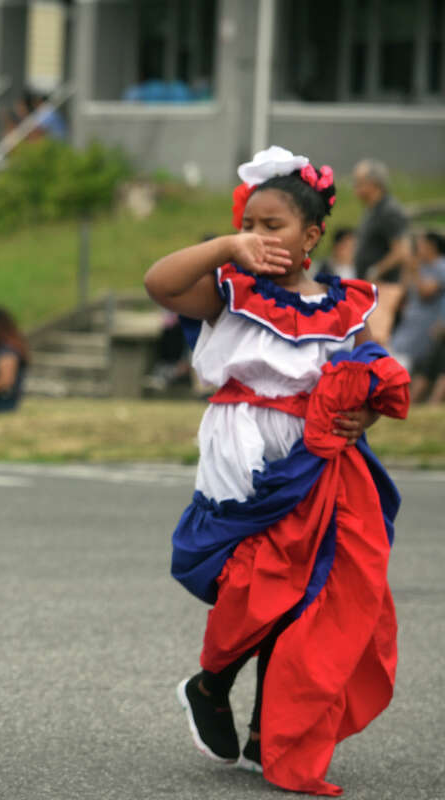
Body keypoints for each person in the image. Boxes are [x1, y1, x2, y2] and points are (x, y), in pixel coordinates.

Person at [144, 146, 409, 796]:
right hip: (245, 454)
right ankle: (211, 685)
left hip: (321, 459)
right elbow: (159, 282)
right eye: (251, 224)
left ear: (312, 235)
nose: (260, 236)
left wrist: (363, 419)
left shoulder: (349, 303)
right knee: (255, 586)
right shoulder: (232, 290)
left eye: (274, 226)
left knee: (308, 593)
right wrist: (224, 246)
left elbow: (371, 376)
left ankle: (271, 722)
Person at [352, 159, 411, 343]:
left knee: (376, 339)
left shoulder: (389, 210)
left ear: (374, 184)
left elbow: (402, 250)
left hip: (384, 285)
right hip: (371, 287)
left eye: (359, 183)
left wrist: (375, 270)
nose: (355, 188)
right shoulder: (373, 210)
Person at [389, 230, 445, 370]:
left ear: (431, 246)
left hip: (425, 327)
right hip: (409, 323)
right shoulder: (421, 266)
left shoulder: (441, 266)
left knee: (400, 361)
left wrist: (414, 271)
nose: (417, 248)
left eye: (421, 244)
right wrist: (408, 267)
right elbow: (403, 290)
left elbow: (425, 293)